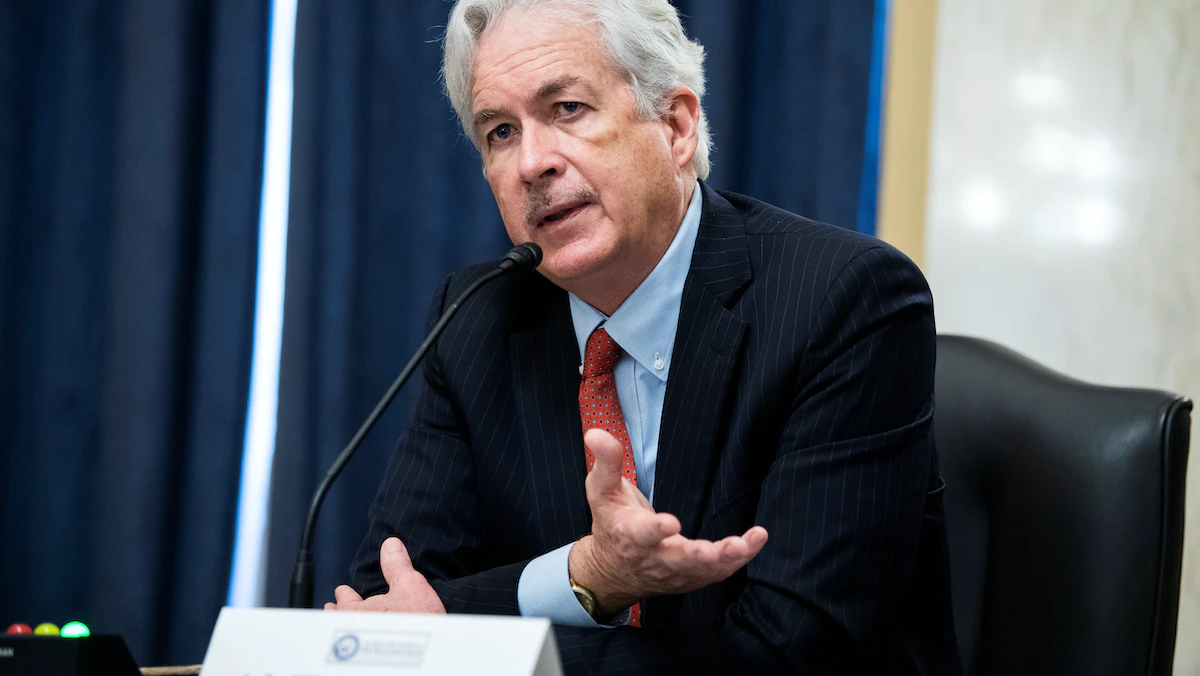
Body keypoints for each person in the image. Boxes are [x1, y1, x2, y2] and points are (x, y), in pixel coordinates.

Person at [326, 0, 962, 673]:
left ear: (676, 125)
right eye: (501, 132)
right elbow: (385, 609)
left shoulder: (842, 300)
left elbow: (789, 650)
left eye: (567, 108)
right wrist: (587, 576)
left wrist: (475, 642)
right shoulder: (478, 320)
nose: (531, 163)